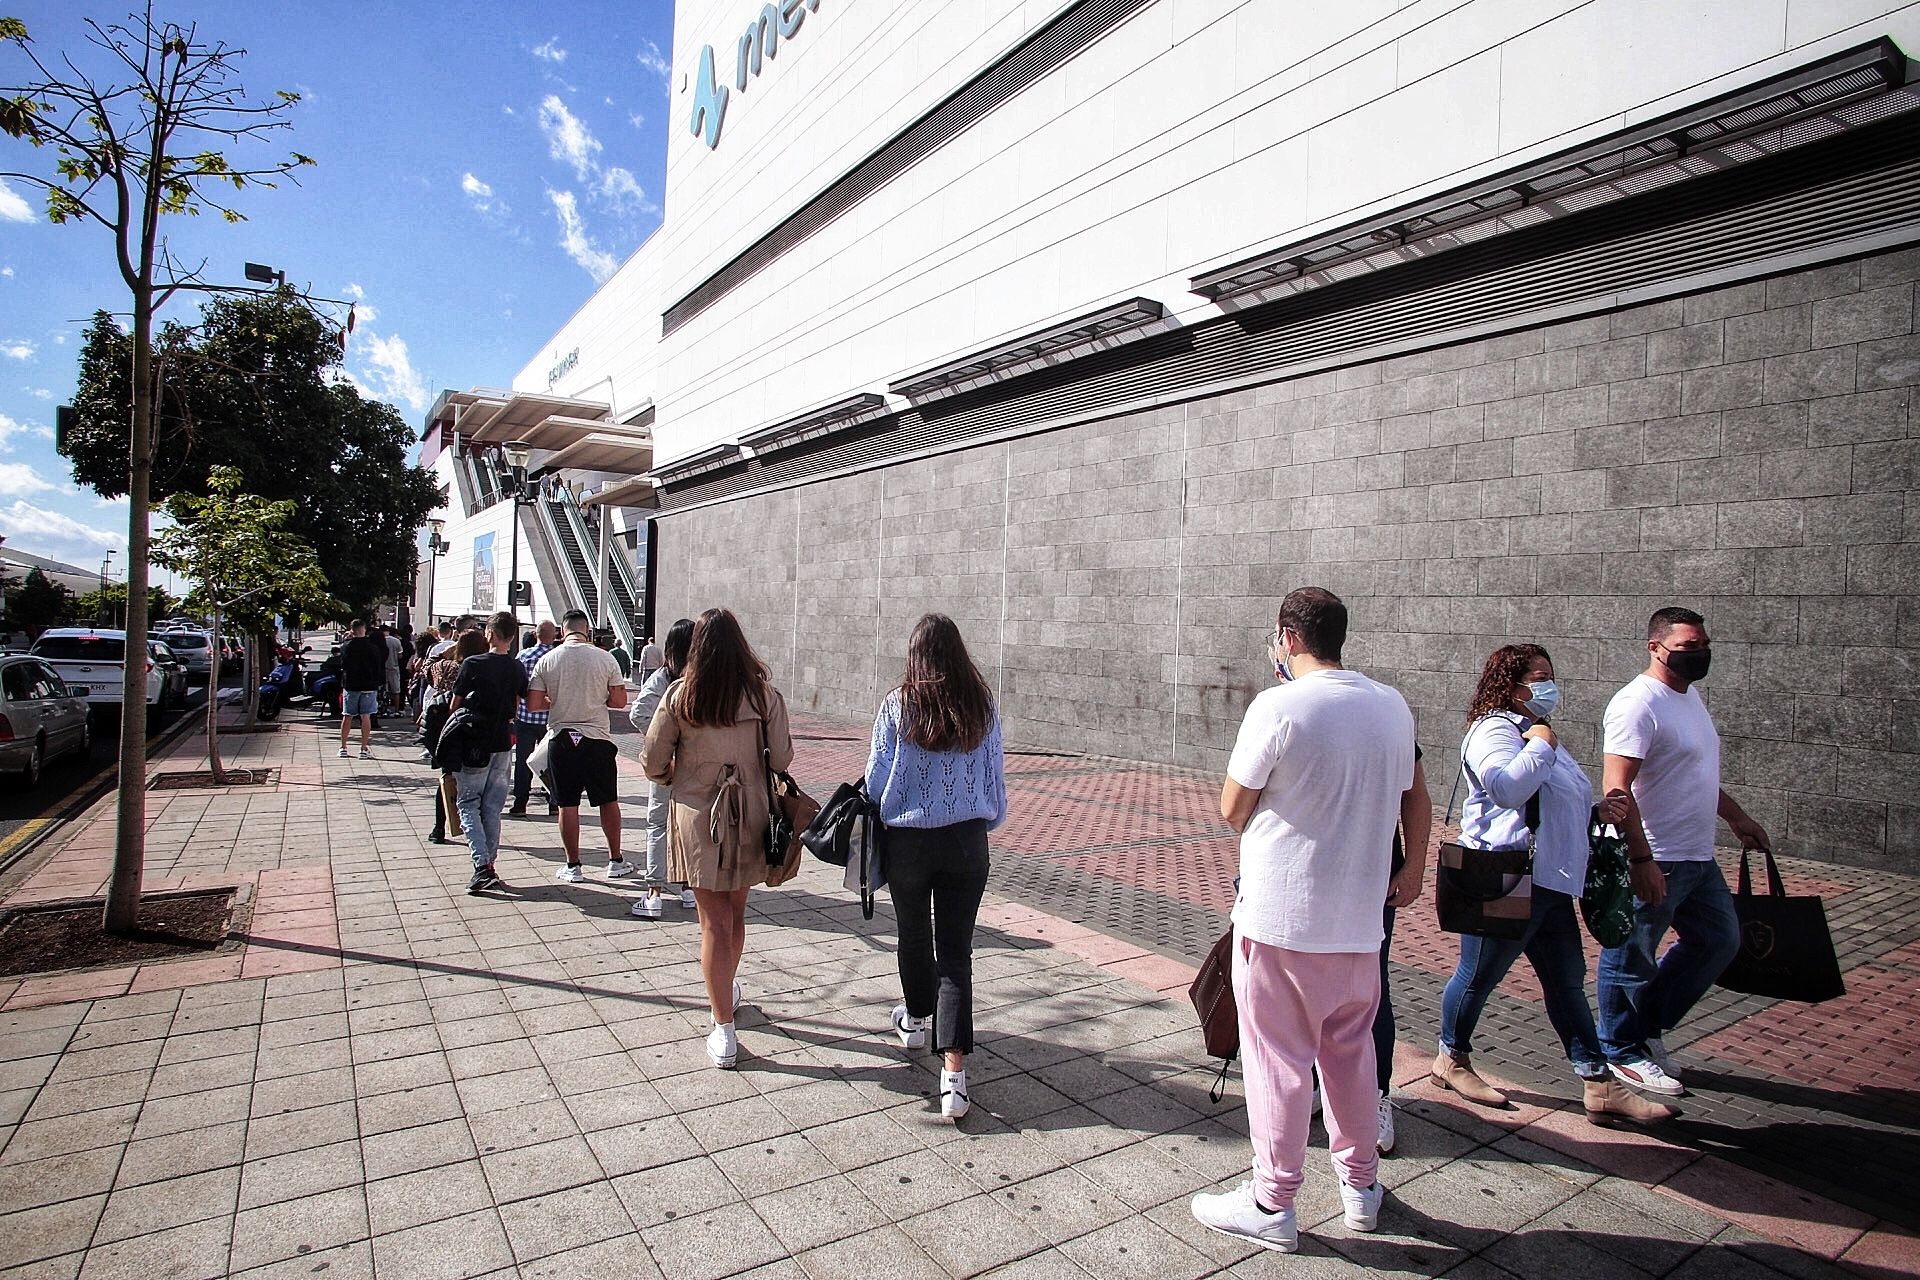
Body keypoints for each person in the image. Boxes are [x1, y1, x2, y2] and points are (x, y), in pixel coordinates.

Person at [1191, 588, 1415, 1253]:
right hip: (1360, 922)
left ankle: (1272, 1200)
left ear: (1288, 636)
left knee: (1277, 1061)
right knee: (1350, 1059)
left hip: (1283, 919)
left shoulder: (1279, 706)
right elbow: (1406, 795)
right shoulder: (1391, 707)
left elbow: (1233, 808)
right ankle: (1361, 1187)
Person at [1433, 644, 1676, 1128]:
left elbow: (1551, 801)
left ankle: (1598, 1083)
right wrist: (1541, 743)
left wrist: (1595, 813)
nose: (1547, 686)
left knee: (1566, 981)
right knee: (1478, 976)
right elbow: (1505, 789)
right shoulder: (1496, 731)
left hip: (1549, 882)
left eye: (1549, 675)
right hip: (1505, 880)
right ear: (1511, 683)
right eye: (1537, 677)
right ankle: (1451, 1059)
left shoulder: (1535, 731)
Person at [1597, 607, 1767, 1097]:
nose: (1700, 654)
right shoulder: (1637, 704)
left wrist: (1737, 817)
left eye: (1703, 645)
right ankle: (1619, 1050)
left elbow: (1697, 775)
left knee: (1719, 941)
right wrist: (1640, 860)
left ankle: (1645, 1026)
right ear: (1656, 647)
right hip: (1658, 856)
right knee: (1630, 955)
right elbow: (1616, 790)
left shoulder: (1688, 699)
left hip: (1697, 855)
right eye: (1689, 646)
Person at [865, 614, 1007, 1120]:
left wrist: (892, 808)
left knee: (912, 936)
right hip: (967, 843)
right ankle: (953, 1076)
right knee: (956, 953)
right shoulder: (981, 705)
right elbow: (994, 778)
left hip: (908, 841)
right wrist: (981, 821)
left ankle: (915, 1020)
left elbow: (876, 780)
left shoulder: (897, 705)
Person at [641, 607, 794, 1070]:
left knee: (712, 920)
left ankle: (723, 1025)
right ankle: (727, 989)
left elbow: (651, 760)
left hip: (698, 815)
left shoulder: (680, 695)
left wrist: (679, 777)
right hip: (750, 813)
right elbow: (782, 758)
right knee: (736, 911)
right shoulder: (763, 696)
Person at [528, 610, 634, 883]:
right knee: (608, 801)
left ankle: (573, 865)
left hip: (561, 738)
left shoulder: (547, 660)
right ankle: (615, 859)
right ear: (586, 629)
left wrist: (560, 701)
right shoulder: (605, 657)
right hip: (597, 737)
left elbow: (535, 704)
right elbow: (620, 701)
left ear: (562, 631)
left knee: (567, 804)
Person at [451, 612, 529, 894]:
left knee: (468, 802)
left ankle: (482, 865)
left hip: (473, 739)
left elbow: (455, 704)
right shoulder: (516, 668)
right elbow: (522, 701)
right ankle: (489, 864)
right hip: (503, 740)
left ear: (490, 634)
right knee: (493, 806)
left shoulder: (473, 664)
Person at [627, 618, 697, 920]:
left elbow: (639, 713)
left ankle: (655, 891)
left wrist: (660, 742)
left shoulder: (663, 678)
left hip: (667, 763)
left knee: (658, 823)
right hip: (694, 765)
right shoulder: (700, 678)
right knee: (685, 824)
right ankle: (686, 887)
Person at [427, 630, 485, 845]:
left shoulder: (446, 667)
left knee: (447, 777)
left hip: (443, 729)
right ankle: (470, 825)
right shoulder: (479, 669)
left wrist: (449, 650)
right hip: (469, 729)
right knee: (474, 781)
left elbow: (427, 666)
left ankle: (438, 828)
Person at [512, 621, 559, 816]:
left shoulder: (523, 656)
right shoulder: (558, 657)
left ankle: (520, 803)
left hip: (525, 716)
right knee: (551, 762)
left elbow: (516, 687)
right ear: (554, 634)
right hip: (551, 718)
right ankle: (554, 802)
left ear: (535, 634)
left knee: (523, 760)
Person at [337, 620, 386, 759]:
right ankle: (363, 748)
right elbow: (378, 666)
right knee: (366, 716)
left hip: (351, 684)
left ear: (352, 630)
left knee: (347, 715)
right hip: (369, 685)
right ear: (364, 629)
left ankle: (343, 747)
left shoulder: (346, 647)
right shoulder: (373, 647)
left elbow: (343, 665)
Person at [382, 624, 405, 712]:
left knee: (385, 691)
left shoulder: (380, 640)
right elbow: (400, 655)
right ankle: (396, 710)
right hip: (394, 667)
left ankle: (385, 709)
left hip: (383, 668)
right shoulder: (396, 641)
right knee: (396, 691)